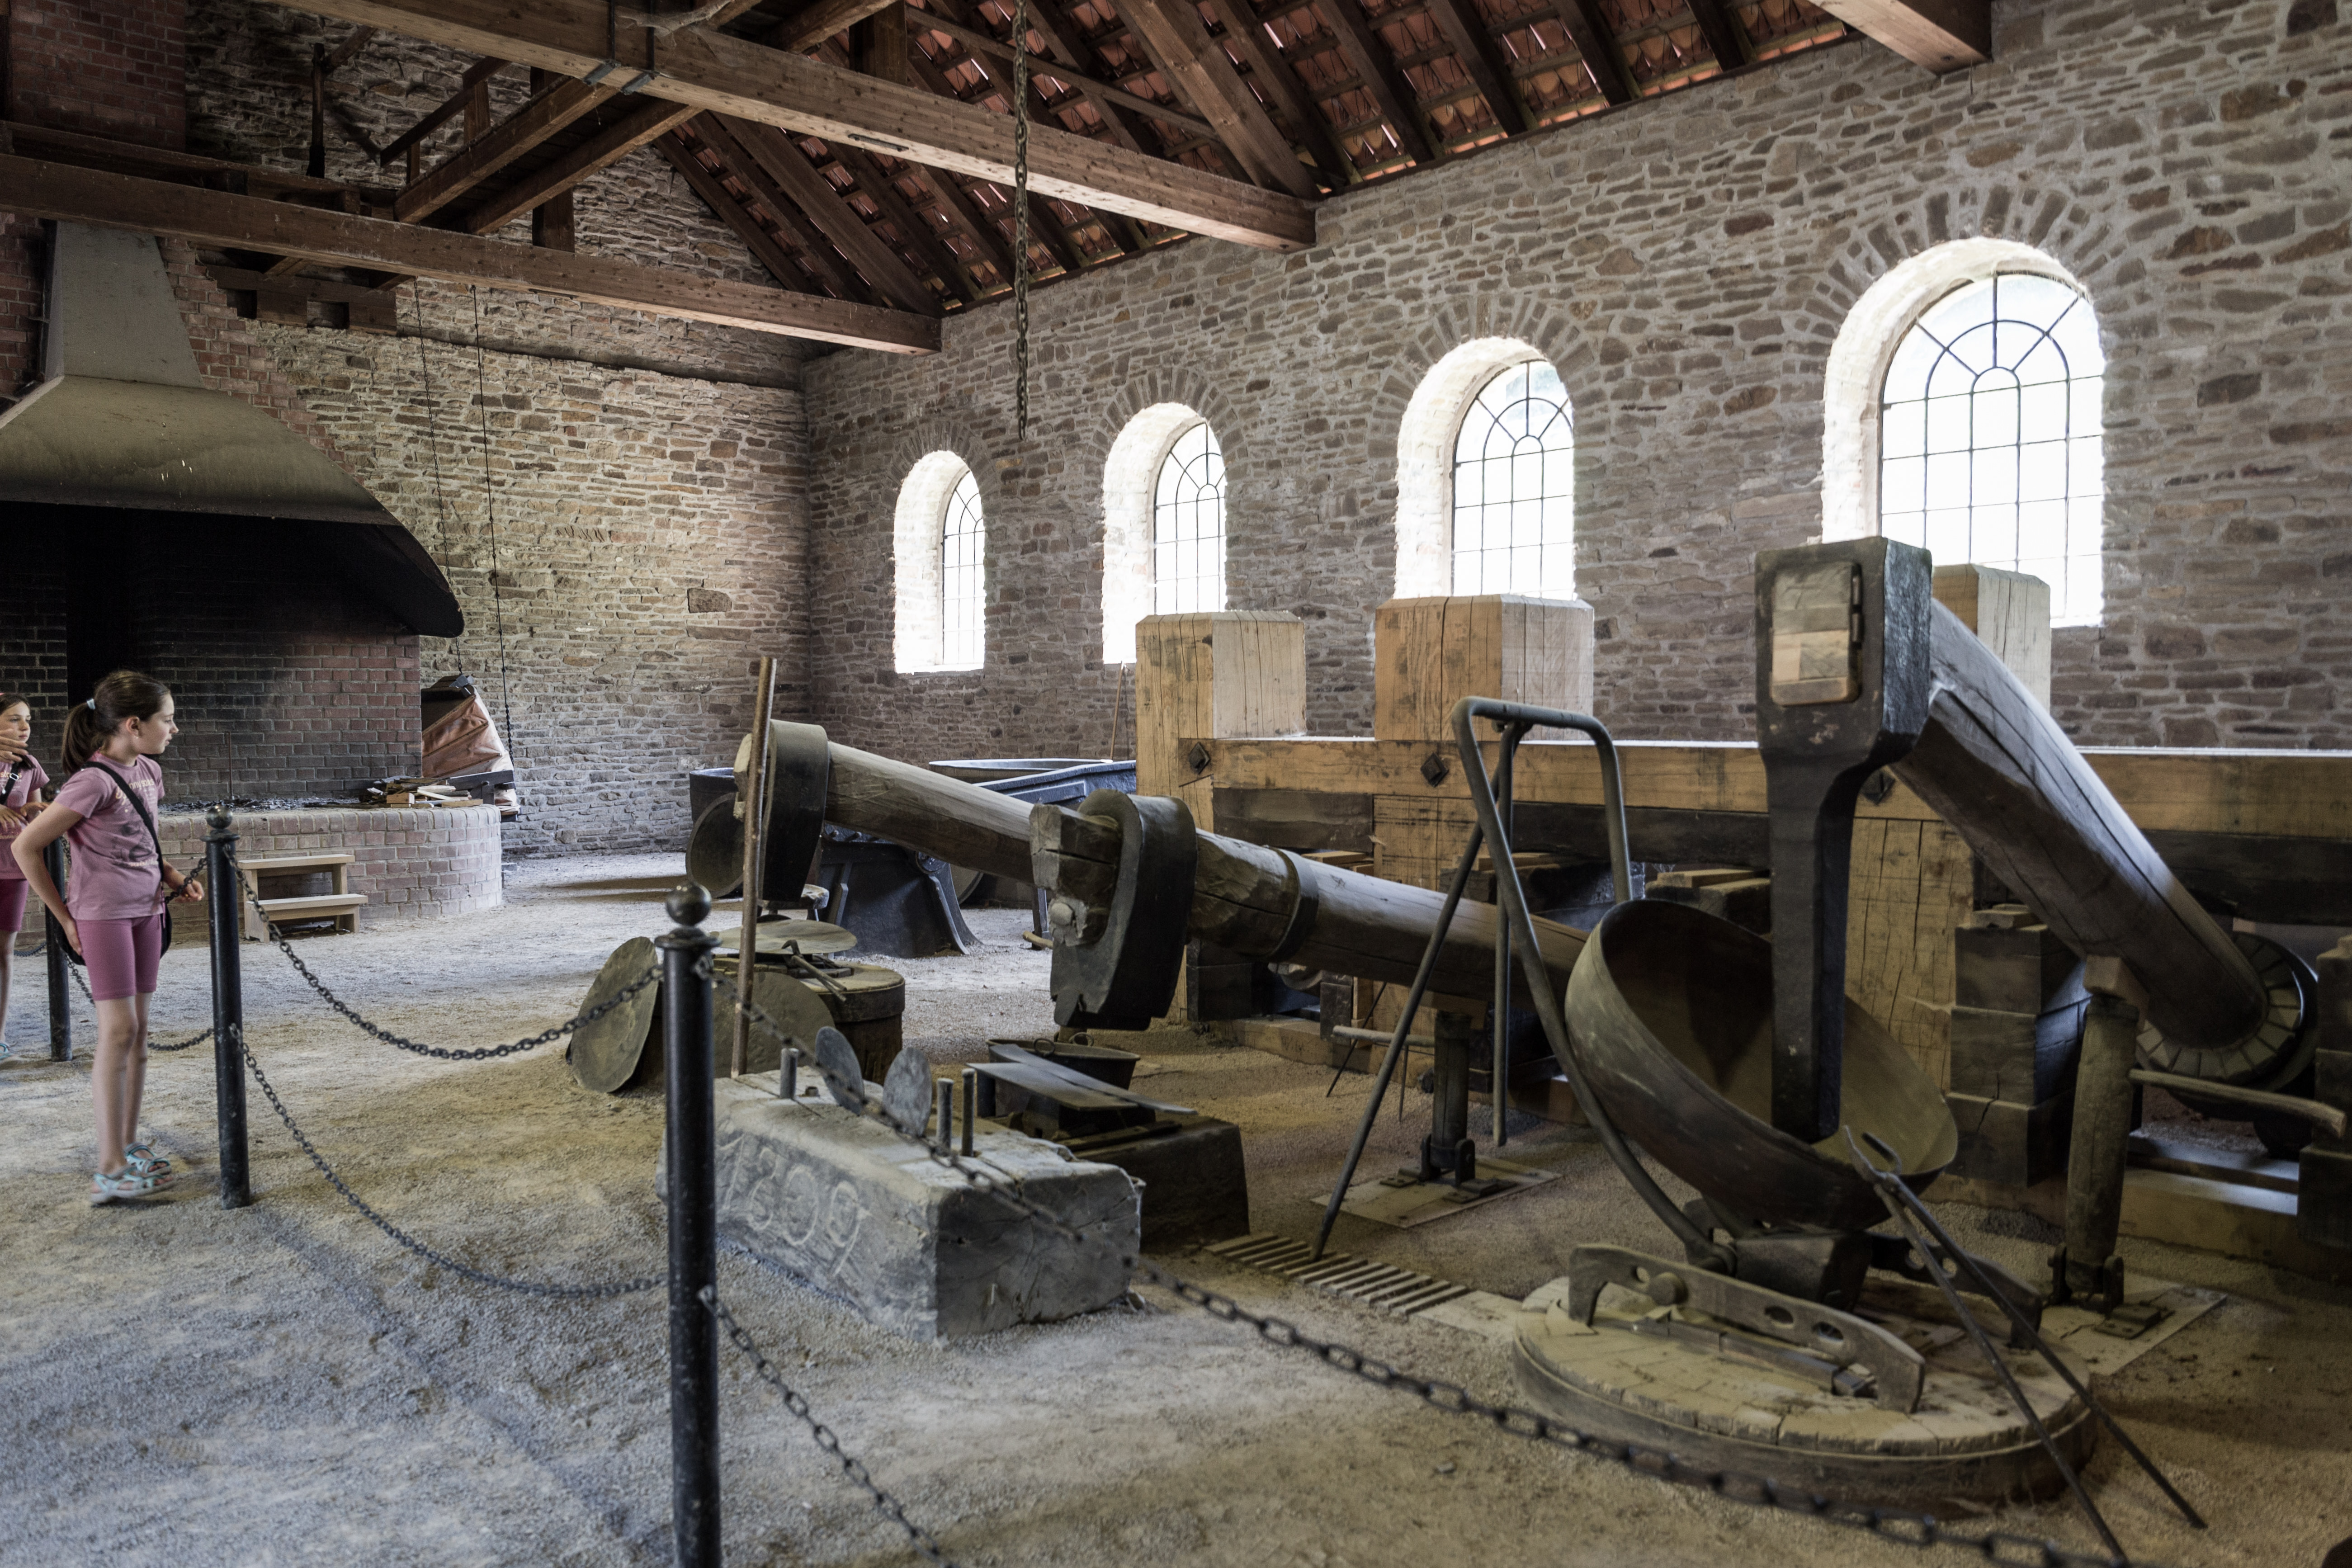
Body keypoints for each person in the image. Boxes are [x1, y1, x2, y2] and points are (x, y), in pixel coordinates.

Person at [11, 672, 205, 1204]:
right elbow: (26, 847)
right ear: (133, 724)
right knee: (118, 1030)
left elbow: (141, 838)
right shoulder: (90, 782)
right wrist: (65, 918)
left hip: (147, 911)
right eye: (167, 720)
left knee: (138, 1032)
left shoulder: (149, 771)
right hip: (104, 917)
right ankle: (109, 1166)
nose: (175, 729)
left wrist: (171, 876)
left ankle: (128, 1142)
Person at [0, 691, 49, 1058]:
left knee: (4, 951)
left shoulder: (29, 765)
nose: (25, 726)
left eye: (27, 719)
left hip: (12, 867)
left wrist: (36, 812)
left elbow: (37, 818)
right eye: (14, 718)